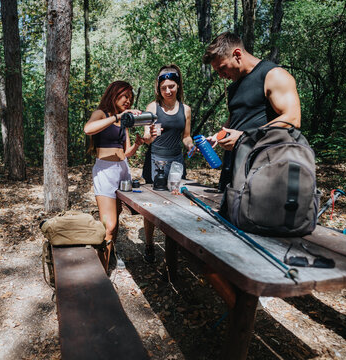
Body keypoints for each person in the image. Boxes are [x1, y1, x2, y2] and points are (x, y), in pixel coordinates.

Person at [202, 32, 301, 191]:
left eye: (222, 68)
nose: (221, 76)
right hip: (233, 166)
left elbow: (292, 119)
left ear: (237, 54)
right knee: (225, 214)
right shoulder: (234, 86)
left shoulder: (273, 75)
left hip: (262, 166)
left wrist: (244, 137)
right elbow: (236, 119)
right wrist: (217, 136)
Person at [84, 81, 144, 271]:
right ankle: (101, 270)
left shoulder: (123, 121)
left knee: (116, 218)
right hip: (105, 171)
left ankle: (110, 255)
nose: (128, 100)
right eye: (124, 96)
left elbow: (125, 152)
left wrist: (137, 144)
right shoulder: (102, 113)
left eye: (130, 97)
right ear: (113, 94)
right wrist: (118, 116)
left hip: (123, 169)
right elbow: (88, 129)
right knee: (108, 225)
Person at [141, 65, 193, 263]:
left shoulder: (185, 110)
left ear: (178, 86)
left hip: (177, 162)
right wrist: (148, 136)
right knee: (151, 206)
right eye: (164, 88)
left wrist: (190, 146)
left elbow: (185, 137)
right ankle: (149, 244)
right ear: (158, 88)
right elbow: (147, 136)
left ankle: (172, 248)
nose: (168, 91)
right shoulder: (152, 108)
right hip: (155, 160)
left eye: (171, 86)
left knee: (176, 203)